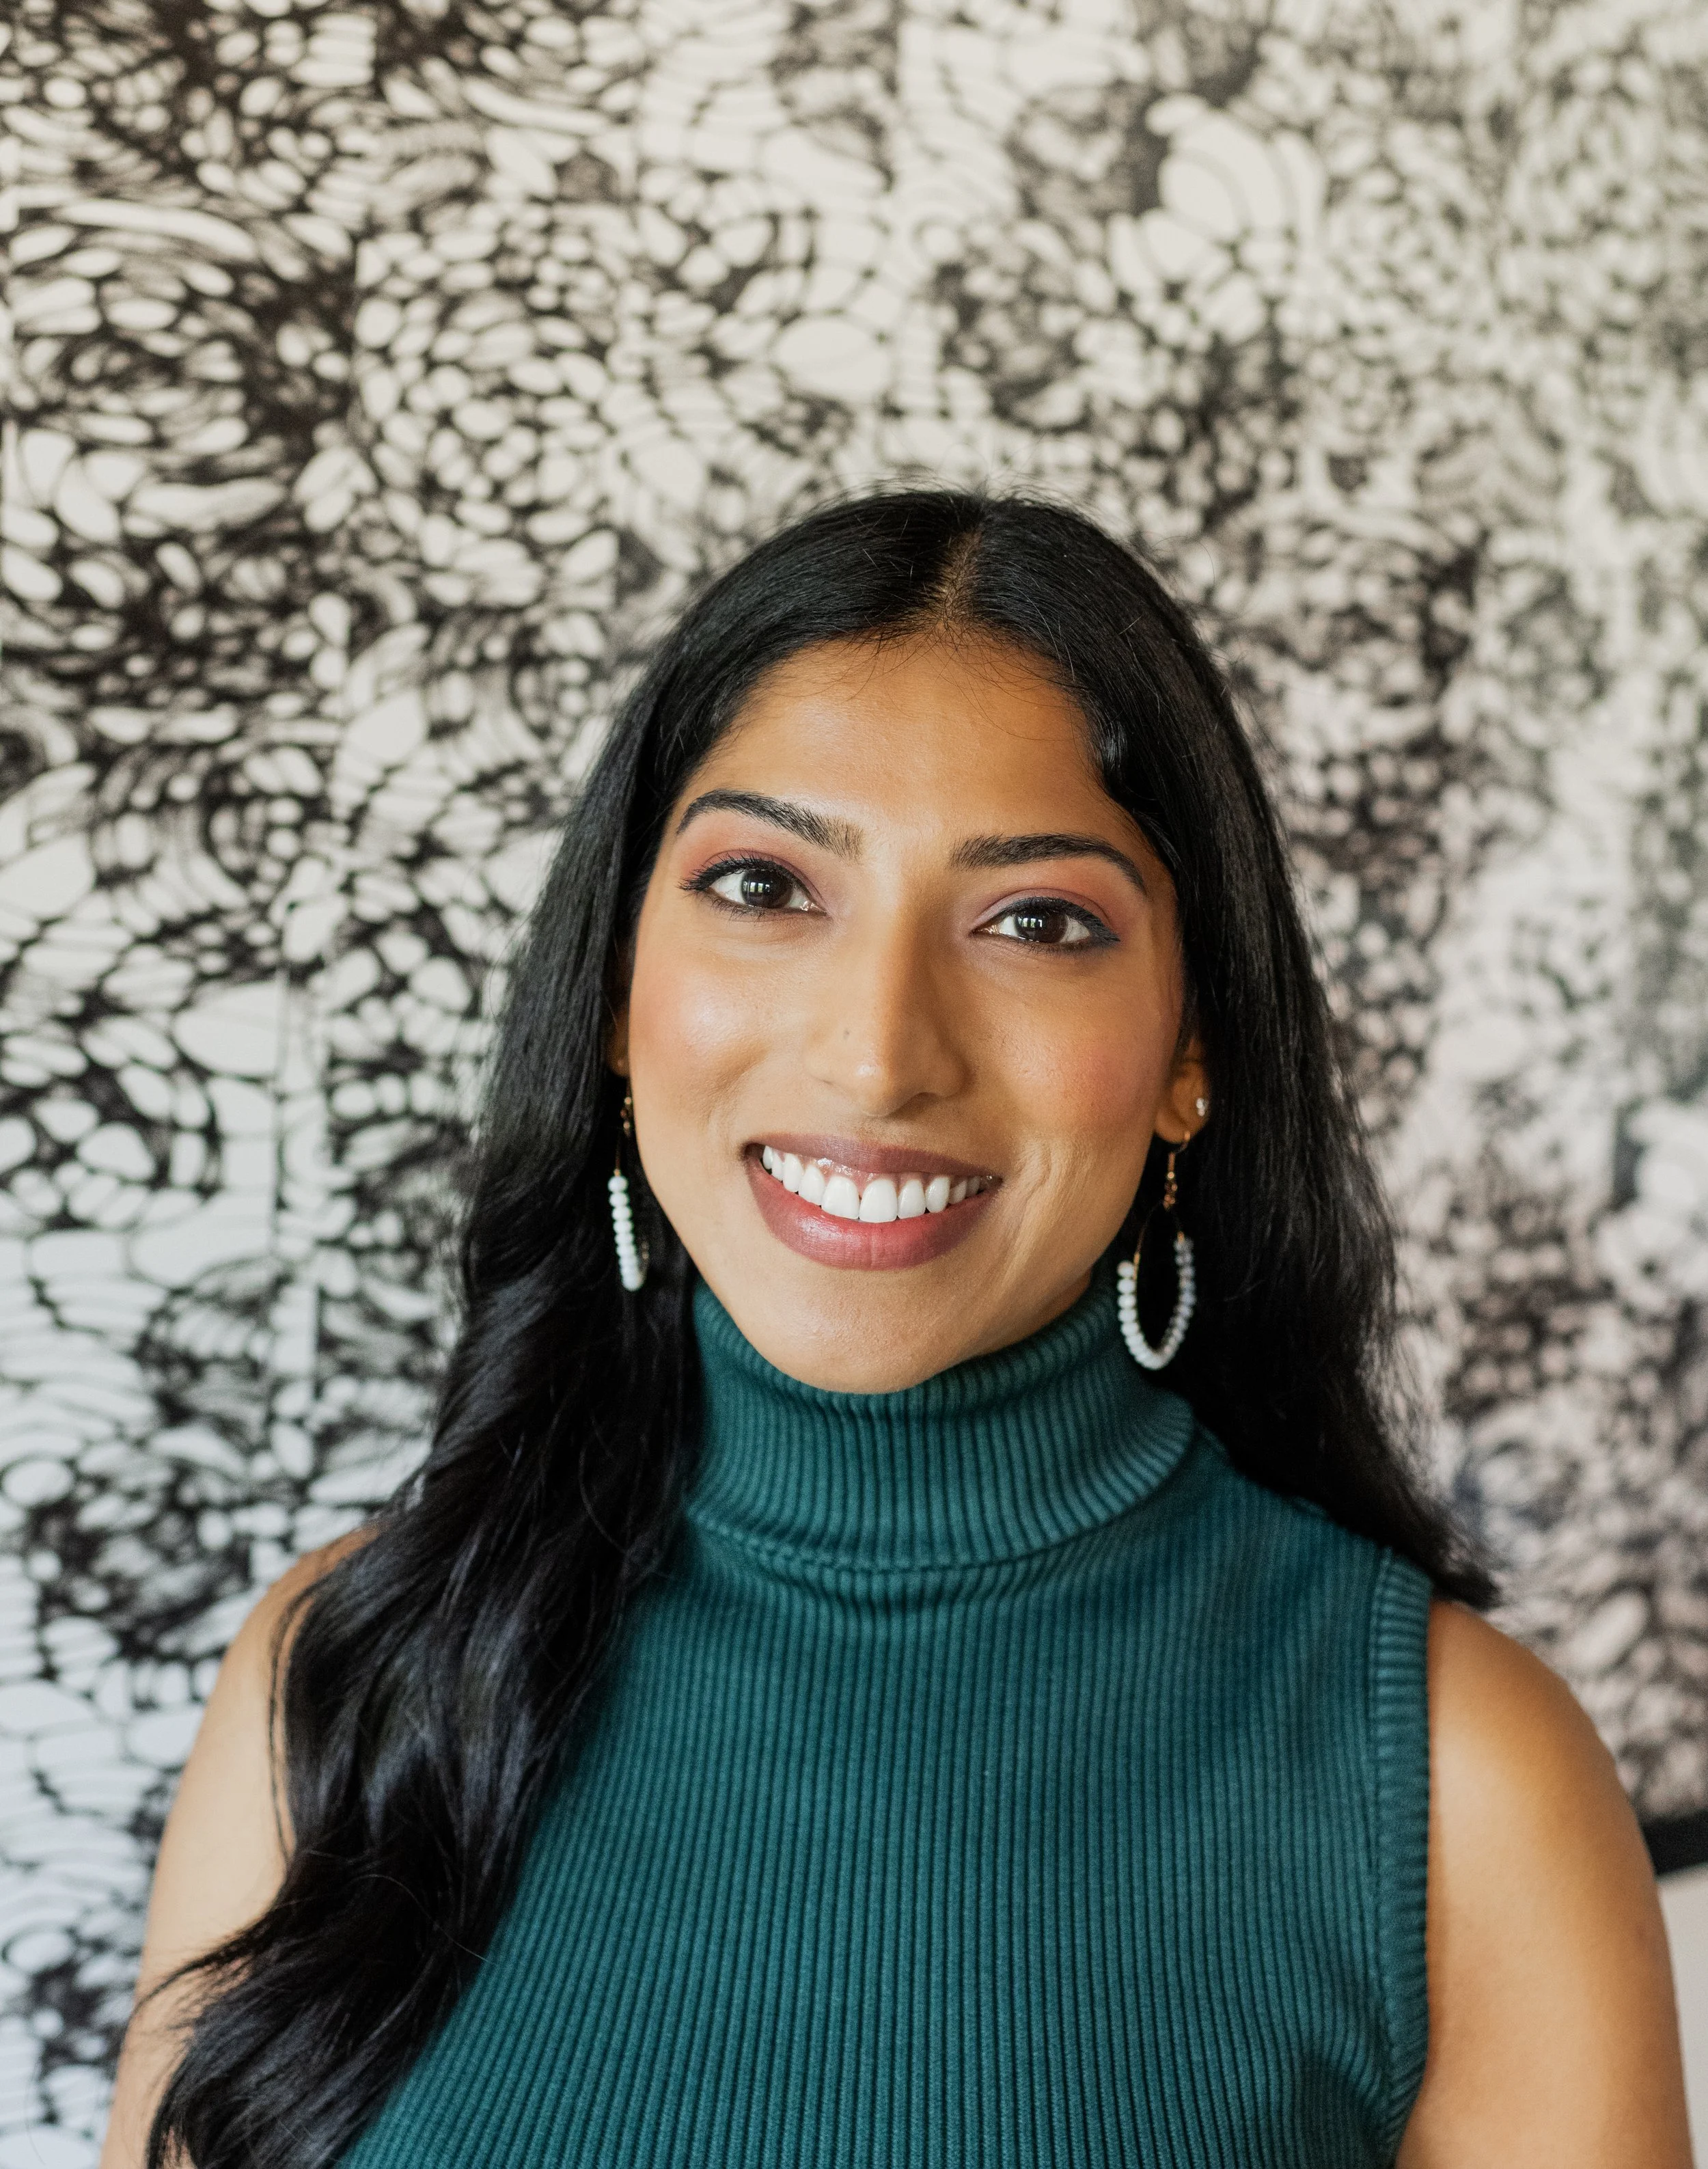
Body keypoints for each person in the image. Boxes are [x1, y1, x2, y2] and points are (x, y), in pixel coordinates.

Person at [102, 492, 1690, 2169]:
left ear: (1184, 1055)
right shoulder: (343, 1676)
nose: (875, 1056)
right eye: (764, 885)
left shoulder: (1451, 1784)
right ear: (619, 1005)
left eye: (1035, 921)